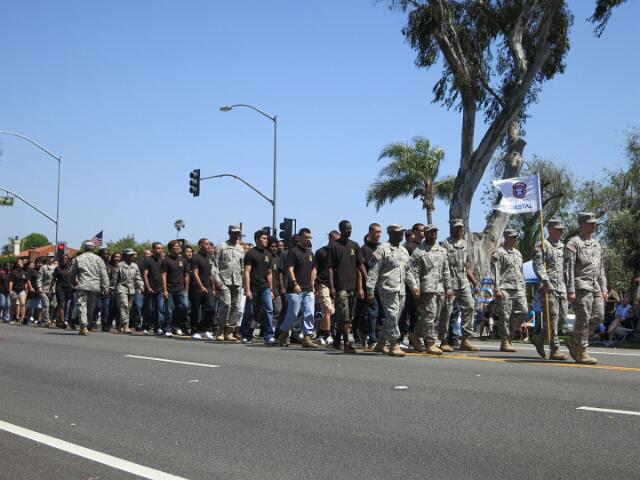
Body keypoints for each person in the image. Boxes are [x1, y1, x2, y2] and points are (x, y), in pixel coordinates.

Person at [565, 212, 608, 364]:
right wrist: (570, 289)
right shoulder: (573, 243)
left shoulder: (597, 244)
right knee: (583, 318)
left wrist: (604, 288)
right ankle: (581, 351)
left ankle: (573, 340)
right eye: (590, 223)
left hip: (595, 286)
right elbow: (568, 269)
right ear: (581, 224)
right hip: (581, 286)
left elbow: (601, 268)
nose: (593, 225)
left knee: (598, 316)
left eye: (594, 223)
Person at [366, 224, 411, 357]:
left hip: (401, 290)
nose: (401, 235)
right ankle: (394, 344)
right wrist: (370, 290)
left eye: (402, 232)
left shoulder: (404, 251)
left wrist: (414, 286)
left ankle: (380, 343)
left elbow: (408, 271)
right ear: (390, 234)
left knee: (394, 318)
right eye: (397, 232)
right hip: (387, 289)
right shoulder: (382, 249)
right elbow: (373, 271)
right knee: (391, 315)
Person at [406, 224, 451, 355]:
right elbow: (413, 272)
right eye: (431, 232)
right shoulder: (419, 251)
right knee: (430, 315)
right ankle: (430, 343)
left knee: (434, 316)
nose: (434, 234)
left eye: (435, 232)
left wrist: (448, 288)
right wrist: (415, 288)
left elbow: (446, 271)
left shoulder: (442, 251)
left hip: (440, 289)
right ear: (425, 234)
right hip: (426, 289)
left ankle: (415, 335)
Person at [439, 219, 480, 352]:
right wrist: (445, 286)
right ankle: (444, 340)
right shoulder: (445, 244)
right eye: (457, 228)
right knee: (447, 311)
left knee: (470, 306)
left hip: (463, 282)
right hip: (450, 283)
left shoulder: (466, 244)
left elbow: (468, 267)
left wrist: (474, 282)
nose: (460, 230)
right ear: (452, 228)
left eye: (461, 228)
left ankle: (465, 339)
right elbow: (442, 266)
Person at [531, 218, 569, 360]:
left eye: (562, 230)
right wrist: (545, 280)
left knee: (562, 319)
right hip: (548, 287)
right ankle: (555, 349)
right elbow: (538, 265)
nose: (561, 232)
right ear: (550, 229)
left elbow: (566, 268)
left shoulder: (563, 247)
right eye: (558, 229)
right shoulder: (543, 245)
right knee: (552, 317)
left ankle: (539, 338)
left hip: (562, 287)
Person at [327, 220, 367, 353]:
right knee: (344, 316)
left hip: (352, 287)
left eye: (350, 228)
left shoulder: (354, 245)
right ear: (341, 230)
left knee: (346, 316)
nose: (349, 231)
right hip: (340, 286)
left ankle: (336, 341)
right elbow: (330, 268)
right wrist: (332, 287)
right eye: (346, 229)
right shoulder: (334, 247)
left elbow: (360, 264)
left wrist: (367, 278)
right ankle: (347, 344)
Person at [278, 228, 317, 348]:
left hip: (308, 289)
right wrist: (295, 283)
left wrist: (312, 285)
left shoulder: (310, 253)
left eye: (310, 237)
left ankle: (307, 337)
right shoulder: (293, 252)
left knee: (309, 312)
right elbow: (290, 268)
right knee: (293, 313)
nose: (308, 240)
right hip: (294, 289)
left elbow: (313, 269)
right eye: (306, 237)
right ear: (300, 238)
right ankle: (283, 334)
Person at [491, 229, 527, 353]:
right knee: (505, 316)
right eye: (512, 237)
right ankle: (505, 341)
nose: (514, 239)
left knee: (523, 311)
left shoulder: (518, 254)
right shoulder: (499, 253)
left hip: (518, 288)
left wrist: (524, 287)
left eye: (515, 237)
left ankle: (509, 335)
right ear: (506, 237)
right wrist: (497, 289)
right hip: (505, 288)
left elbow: (521, 272)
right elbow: (495, 272)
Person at [240, 230, 277, 345]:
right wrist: (248, 289)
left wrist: (271, 289)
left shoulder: (268, 254)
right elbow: (247, 272)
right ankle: (246, 335)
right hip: (253, 287)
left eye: (266, 238)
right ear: (257, 240)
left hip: (265, 287)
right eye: (263, 238)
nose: (266, 240)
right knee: (250, 312)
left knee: (268, 310)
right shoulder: (250, 253)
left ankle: (269, 336)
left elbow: (269, 273)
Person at [70, 241, 110, 336]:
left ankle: (84, 325)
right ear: (94, 249)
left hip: (82, 285)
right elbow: (103, 274)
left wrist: (73, 281)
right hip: (94, 286)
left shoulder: (78, 258)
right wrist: (106, 286)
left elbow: (72, 272)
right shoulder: (98, 259)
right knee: (91, 306)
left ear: (84, 248)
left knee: (82, 305)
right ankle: (86, 324)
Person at [216, 225, 245, 341]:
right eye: (234, 233)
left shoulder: (241, 249)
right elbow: (214, 265)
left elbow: (242, 267)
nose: (236, 235)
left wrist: (243, 282)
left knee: (236, 307)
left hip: (237, 281)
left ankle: (229, 332)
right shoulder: (221, 246)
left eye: (238, 233)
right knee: (226, 305)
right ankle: (220, 330)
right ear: (229, 233)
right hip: (224, 281)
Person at [356, 223, 382, 349]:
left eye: (380, 232)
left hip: (381, 286)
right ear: (370, 232)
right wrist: (361, 288)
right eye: (376, 232)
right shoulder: (364, 249)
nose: (378, 234)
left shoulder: (381, 248)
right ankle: (372, 339)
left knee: (380, 314)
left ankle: (364, 331)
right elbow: (360, 269)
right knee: (372, 312)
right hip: (369, 286)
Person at [314, 230, 340, 345]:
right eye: (335, 240)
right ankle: (328, 334)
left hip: (335, 285)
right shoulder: (321, 252)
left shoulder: (338, 252)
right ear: (330, 238)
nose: (337, 242)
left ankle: (320, 333)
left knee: (331, 312)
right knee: (328, 309)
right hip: (323, 283)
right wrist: (314, 284)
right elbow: (315, 269)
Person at [401, 223, 425, 344]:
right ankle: (400, 338)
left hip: (421, 285)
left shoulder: (424, 247)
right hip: (408, 285)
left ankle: (412, 337)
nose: (423, 233)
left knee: (416, 313)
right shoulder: (408, 247)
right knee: (404, 312)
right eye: (421, 230)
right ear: (414, 232)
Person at [161, 239, 190, 337]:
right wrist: (164, 290)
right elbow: (164, 275)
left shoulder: (183, 260)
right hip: (169, 289)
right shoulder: (166, 260)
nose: (178, 248)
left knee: (184, 306)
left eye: (178, 246)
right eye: (175, 247)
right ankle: (167, 329)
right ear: (170, 249)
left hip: (181, 289)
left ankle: (176, 326)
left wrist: (186, 289)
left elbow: (186, 275)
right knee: (169, 310)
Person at [111, 248, 144, 333]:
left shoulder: (135, 266)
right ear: (125, 256)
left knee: (128, 308)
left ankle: (121, 325)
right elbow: (115, 278)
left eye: (133, 255)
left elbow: (138, 277)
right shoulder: (119, 265)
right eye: (130, 255)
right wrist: (112, 288)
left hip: (131, 289)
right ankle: (126, 325)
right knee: (124, 306)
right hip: (122, 288)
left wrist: (141, 285)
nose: (132, 256)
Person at [190, 238, 217, 340]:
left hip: (208, 287)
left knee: (211, 309)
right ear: (200, 245)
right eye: (206, 244)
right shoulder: (195, 257)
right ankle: (195, 331)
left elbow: (210, 274)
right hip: (197, 288)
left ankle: (204, 329)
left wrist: (213, 288)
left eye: (209, 244)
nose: (208, 246)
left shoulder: (208, 257)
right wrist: (200, 286)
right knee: (196, 311)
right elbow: (195, 273)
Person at [143, 242, 165, 335]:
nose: (160, 250)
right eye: (158, 248)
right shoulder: (148, 260)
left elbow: (165, 275)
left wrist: (165, 289)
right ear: (153, 250)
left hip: (160, 289)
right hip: (150, 289)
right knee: (149, 309)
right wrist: (148, 287)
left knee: (160, 309)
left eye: (161, 248)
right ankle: (146, 327)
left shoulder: (163, 260)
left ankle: (158, 327)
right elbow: (145, 275)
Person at [50, 254, 74, 329]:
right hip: (59, 288)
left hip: (68, 288)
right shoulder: (57, 268)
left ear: (68, 260)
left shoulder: (71, 268)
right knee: (62, 304)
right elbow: (53, 279)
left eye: (66, 258)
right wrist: (50, 289)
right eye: (63, 258)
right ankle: (62, 321)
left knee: (65, 304)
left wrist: (75, 285)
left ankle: (54, 318)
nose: (64, 260)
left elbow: (74, 278)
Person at [9, 259, 30, 325]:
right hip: (14, 290)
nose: (21, 263)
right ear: (17, 264)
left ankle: (22, 319)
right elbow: (11, 282)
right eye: (20, 262)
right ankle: (11, 318)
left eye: (22, 262)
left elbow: (27, 281)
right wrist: (10, 290)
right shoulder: (13, 272)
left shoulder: (25, 273)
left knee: (23, 304)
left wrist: (28, 288)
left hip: (22, 290)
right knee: (13, 305)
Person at [39, 253, 56, 327]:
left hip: (53, 289)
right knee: (46, 305)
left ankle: (50, 319)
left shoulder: (56, 267)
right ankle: (46, 321)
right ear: (47, 258)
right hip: (44, 289)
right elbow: (39, 278)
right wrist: (39, 287)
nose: (51, 258)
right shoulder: (43, 267)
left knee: (53, 305)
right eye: (49, 257)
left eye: (52, 257)